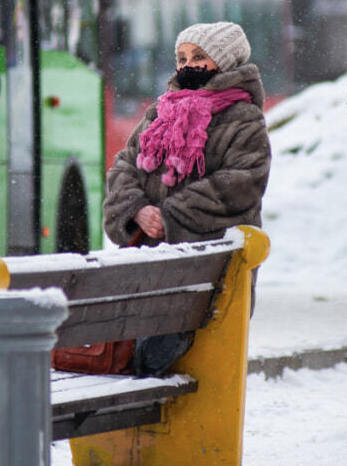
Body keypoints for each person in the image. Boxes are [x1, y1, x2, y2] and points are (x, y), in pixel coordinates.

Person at [103, 21, 271, 374]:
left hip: (210, 273)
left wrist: (170, 217)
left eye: (198, 56)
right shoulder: (161, 111)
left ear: (225, 63)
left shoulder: (244, 118)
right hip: (152, 271)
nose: (186, 65)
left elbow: (240, 183)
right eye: (181, 57)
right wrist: (137, 210)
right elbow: (123, 167)